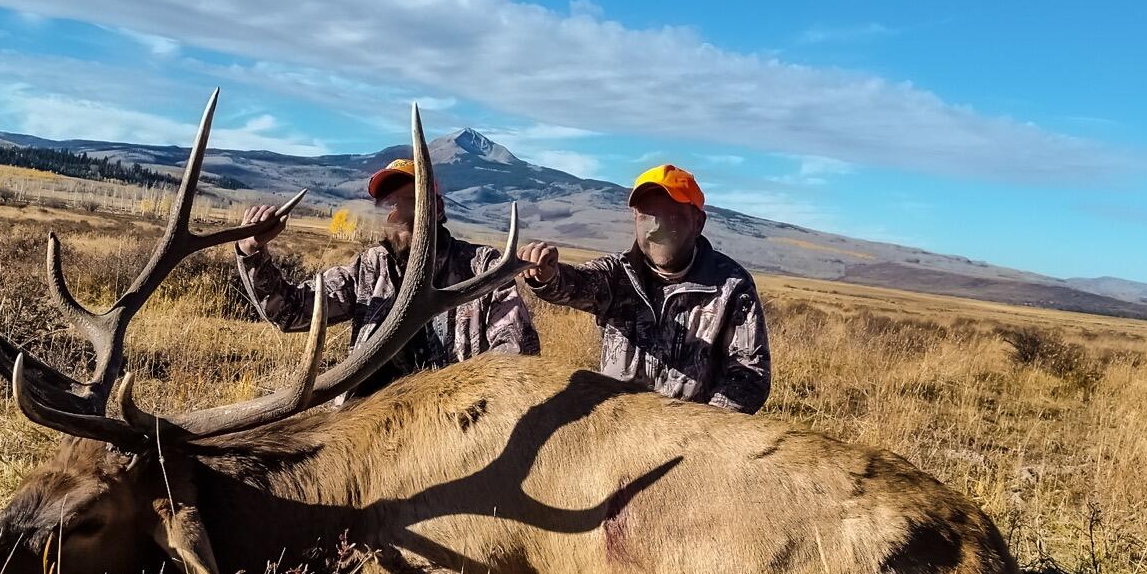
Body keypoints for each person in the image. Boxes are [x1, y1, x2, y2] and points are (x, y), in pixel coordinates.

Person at [236, 158, 540, 395]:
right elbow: (291, 313)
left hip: (452, 431)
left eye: (408, 202)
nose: (395, 214)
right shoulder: (369, 268)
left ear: (437, 208)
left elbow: (515, 358)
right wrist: (252, 251)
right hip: (369, 427)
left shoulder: (483, 268)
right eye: (388, 204)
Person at [518, 164, 770, 412]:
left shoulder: (732, 285)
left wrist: (704, 429)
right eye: (647, 217)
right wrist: (547, 275)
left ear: (697, 222)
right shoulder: (618, 273)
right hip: (617, 431)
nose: (657, 229)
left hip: (691, 439)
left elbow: (750, 375)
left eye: (671, 217)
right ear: (635, 219)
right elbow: (575, 284)